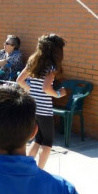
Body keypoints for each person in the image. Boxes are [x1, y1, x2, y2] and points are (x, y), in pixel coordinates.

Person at [17, 34, 68, 169]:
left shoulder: (33, 61)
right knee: (48, 142)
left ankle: (26, 168)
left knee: (38, 139)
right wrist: (58, 94)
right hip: (44, 109)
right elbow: (46, 88)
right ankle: (39, 172)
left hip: (33, 107)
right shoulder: (52, 66)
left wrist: (31, 89)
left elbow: (19, 81)